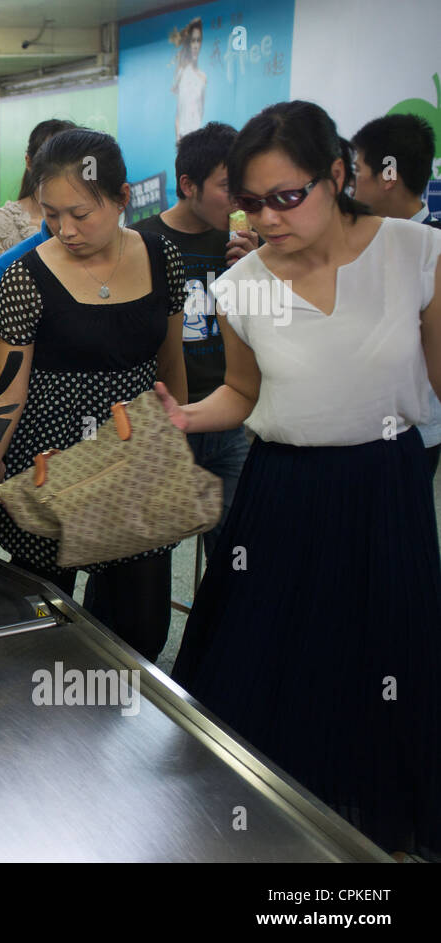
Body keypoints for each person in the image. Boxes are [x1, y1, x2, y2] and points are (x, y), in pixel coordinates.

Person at [162, 100, 441, 860]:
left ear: (340, 174)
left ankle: (374, 832)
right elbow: (244, 393)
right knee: (276, 666)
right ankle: (271, 834)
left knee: (384, 660)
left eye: (287, 196)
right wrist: (185, 417)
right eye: (250, 202)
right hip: (283, 494)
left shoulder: (416, 254)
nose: (267, 218)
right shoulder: (241, 284)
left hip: (387, 488)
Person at [0, 129, 188, 661]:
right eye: (51, 214)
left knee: (138, 632)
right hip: (49, 464)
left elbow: (170, 363)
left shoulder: (162, 257)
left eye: (80, 213)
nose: (65, 230)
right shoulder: (26, 277)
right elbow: (7, 394)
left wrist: (177, 443)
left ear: (121, 197)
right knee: (43, 631)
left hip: (134, 465)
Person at [133, 122, 258, 559]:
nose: (240, 200)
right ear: (188, 184)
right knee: (146, 554)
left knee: (236, 549)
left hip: (226, 418)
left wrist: (258, 268)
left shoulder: (248, 246)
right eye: (228, 187)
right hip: (162, 420)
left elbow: (264, 328)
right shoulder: (142, 242)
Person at [351, 113, 441, 476]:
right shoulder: (354, 242)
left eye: (357, 170)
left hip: (416, 432)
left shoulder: (434, 251)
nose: (350, 183)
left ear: (389, 175)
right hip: (356, 427)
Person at [0, 119, 77, 253]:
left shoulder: (91, 221)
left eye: (70, 160)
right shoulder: (2, 223)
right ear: (29, 162)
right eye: (52, 161)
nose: (62, 170)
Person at [171, 17, 206, 143]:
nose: (196, 45)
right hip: (183, 139)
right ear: (188, 43)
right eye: (193, 41)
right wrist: (178, 139)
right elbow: (179, 112)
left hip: (198, 141)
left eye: (198, 40)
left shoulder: (202, 77)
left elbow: (201, 112)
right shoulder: (182, 73)